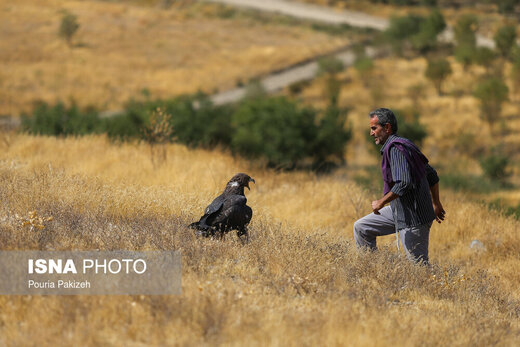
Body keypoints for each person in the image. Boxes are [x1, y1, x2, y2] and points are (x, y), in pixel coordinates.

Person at [353, 108, 445, 264]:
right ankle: (371, 271)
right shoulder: (405, 144)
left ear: (387, 128)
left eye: (374, 128)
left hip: (414, 218)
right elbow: (432, 174)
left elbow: (403, 183)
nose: (371, 133)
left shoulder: (396, 149)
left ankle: (431, 288)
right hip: (399, 210)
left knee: (419, 269)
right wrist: (436, 202)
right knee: (361, 228)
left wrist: (381, 202)